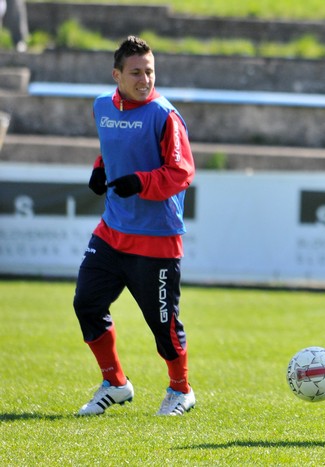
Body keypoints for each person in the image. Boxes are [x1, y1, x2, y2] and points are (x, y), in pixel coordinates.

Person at [73, 35, 196, 416]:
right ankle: (115, 382)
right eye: (136, 72)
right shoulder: (100, 107)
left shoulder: (165, 115)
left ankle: (181, 391)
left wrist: (141, 182)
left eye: (150, 71)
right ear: (117, 75)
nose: (145, 79)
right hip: (112, 232)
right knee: (87, 304)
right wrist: (100, 169)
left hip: (156, 241)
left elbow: (181, 172)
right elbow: (113, 148)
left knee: (163, 327)